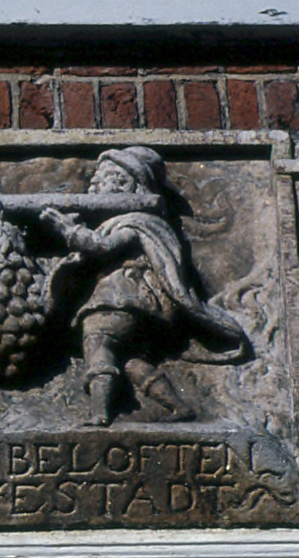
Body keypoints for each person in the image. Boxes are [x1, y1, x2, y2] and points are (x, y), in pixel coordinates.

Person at [40, 146, 247, 426]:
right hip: (139, 308)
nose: (94, 184)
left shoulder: (135, 222)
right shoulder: (129, 221)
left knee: (98, 345)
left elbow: (102, 247)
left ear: (126, 184)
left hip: (119, 300)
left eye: (104, 178)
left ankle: (100, 415)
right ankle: (178, 407)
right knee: (131, 361)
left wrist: (68, 229)